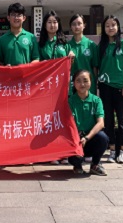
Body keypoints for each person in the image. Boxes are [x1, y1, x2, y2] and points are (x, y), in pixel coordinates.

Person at [97, 15, 123, 164]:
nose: (110, 28)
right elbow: (96, 67)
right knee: (107, 120)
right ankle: (112, 150)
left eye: (113, 25)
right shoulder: (101, 46)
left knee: (122, 120)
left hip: (120, 88)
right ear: (104, 28)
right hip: (105, 87)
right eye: (107, 25)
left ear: (118, 27)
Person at [37, 10, 74, 165]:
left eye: (55, 22)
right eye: (49, 22)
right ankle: (50, 153)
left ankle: (63, 153)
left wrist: (71, 57)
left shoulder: (65, 43)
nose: (52, 25)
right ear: (44, 25)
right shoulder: (40, 44)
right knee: (48, 122)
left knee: (62, 120)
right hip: (47, 89)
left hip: (63, 88)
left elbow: (70, 64)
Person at [67, 69, 109, 176]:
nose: (82, 84)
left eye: (85, 81)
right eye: (78, 81)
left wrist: (86, 138)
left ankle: (95, 164)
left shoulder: (96, 100)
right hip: (75, 141)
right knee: (75, 158)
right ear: (74, 83)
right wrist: (77, 138)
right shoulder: (70, 101)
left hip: (90, 139)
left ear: (91, 82)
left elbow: (101, 123)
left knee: (103, 138)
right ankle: (77, 165)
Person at [68, 14, 98, 95]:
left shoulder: (91, 45)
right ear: (70, 27)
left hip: (88, 86)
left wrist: (94, 83)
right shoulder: (67, 46)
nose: (76, 26)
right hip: (72, 86)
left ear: (84, 25)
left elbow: (95, 68)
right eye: (74, 24)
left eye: (79, 23)